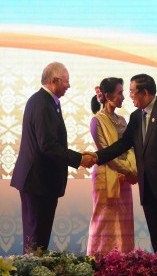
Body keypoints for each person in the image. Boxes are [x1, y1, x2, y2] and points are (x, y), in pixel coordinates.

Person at [93, 74, 157, 253]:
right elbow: (123, 144)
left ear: (145, 92)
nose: (129, 96)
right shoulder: (135, 117)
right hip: (149, 190)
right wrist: (96, 157)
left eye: (133, 92)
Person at [10, 62, 95, 253]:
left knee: (39, 239)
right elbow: (47, 145)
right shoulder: (42, 103)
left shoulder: (46, 102)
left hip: (42, 183)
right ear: (54, 80)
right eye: (66, 81)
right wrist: (79, 159)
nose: (69, 86)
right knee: (34, 240)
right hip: (37, 182)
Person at [87, 78, 138, 255]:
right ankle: (100, 261)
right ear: (108, 96)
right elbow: (106, 153)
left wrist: (132, 167)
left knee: (123, 222)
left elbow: (130, 146)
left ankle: (123, 263)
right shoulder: (97, 120)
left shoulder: (123, 120)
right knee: (104, 221)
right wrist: (127, 169)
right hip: (105, 177)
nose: (123, 97)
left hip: (124, 177)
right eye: (120, 93)